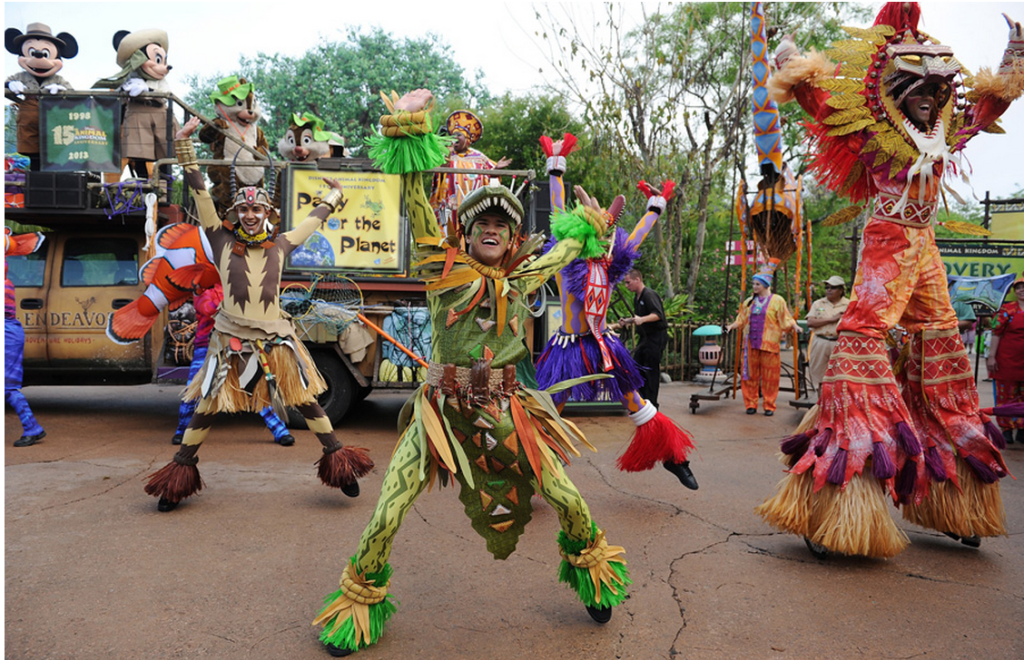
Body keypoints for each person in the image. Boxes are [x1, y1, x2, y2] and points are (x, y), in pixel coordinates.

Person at [314, 89, 630, 657]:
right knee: (390, 506)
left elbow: (567, 251)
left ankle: (591, 569)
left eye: (502, 223)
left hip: (510, 414)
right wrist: (410, 134)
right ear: (464, 232)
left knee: (566, 497)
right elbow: (413, 204)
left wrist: (589, 226)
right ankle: (358, 603)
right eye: (480, 217)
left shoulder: (524, 279)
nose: (491, 224)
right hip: (440, 412)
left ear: (512, 241)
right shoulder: (442, 269)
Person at [756, 3, 1016, 557]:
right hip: (885, 248)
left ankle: (951, 497)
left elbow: (984, 110)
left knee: (942, 356)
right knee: (863, 359)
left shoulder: (944, 134)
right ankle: (834, 505)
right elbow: (824, 107)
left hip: (924, 254)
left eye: (937, 88)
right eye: (915, 86)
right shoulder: (876, 136)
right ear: (893, 92)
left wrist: (1012, 59)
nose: (929, 96)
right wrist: (791, 62)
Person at [143, 117, 372, 513]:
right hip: (230, 338)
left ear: (268, 213)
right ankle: (177, 479)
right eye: (244, 208)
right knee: (205, 406)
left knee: (306, 400)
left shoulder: (281, 245)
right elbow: (199, 193)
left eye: (257, 208)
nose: (250, 214)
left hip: (275, 337)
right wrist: (184, 147)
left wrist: (335, 196)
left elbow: (314, 220)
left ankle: (340, 465)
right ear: (235, 212)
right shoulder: (220, 239)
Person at [534, 141, 697, 489]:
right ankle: (537, 469)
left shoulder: (609, 266)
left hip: (605, 346)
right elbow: (557, 208)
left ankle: (673, 456)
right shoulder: (566, 263)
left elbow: (636, 237)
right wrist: (556, 168)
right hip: (569, 349)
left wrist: (655, 207)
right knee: (552, 408)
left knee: (636, 402)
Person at [171, 283, 293, 446]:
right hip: (207, 346)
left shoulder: (233, 284)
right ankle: (182, 431)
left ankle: (280, 431)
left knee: (254, 384)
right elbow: (207, 309)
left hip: (236, 341)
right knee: (193, 389)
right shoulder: (202, 288)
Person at [725, 261, 798, 416]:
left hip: (769, 344)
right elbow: (741, 319)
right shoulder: (749, 302)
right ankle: (750, 404)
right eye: (753, 284)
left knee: (770, 376)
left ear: (765, 285)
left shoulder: (777, 300)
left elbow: (786, 318)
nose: (755, 287)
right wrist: (732, 326)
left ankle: (769, 404)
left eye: (758, 284)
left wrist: (794, 326)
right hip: (751, 344)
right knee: (750, 375)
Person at [429, 109, 511, 230]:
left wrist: (496, 170)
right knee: (448, 237)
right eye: (453, 135)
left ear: (467, 140)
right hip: (448, 208)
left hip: (472, 210)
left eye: (458, 135)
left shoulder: (480, 158)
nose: (454, 138)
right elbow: (440, 175)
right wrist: (448, 155)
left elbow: (491, 182)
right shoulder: (446, 155)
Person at [5, 229, 46, 447]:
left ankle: (32, 427)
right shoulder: (7, 282)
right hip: (10, 332)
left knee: (8, 388)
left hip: (7, 333)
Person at [621, 269, 669, 408]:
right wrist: (628, 321)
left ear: (637, 280)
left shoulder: (649, 294)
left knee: (650, 370)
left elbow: (657, 315)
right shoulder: (637, 297)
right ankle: (642, 401)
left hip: (656, 337)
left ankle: (652, 404)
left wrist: (641, 319)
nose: (627, 286)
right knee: (637, 367)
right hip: (645, 338)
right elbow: (639, 318)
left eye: (628, 282)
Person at [987, 275, 1024, 445]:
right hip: (1006, 361)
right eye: (1019, 287)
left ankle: (1022, 430)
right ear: (1014, 291)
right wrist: (992, 356)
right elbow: (996, 334)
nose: (1022, 290)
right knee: (1005, 396)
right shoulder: (1006, 310)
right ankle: (1006, 430)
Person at [805, 276, 849, 395]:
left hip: (840, 342)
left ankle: (837, 408)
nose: (829, 290)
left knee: (841, 376)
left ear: (841, 290)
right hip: (821, 341)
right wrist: (832, 319)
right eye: (827, 287)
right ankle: (821, 406)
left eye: (833, 287)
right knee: (820, 377)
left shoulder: (849, 305)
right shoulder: (818, 303)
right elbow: (810, 322)